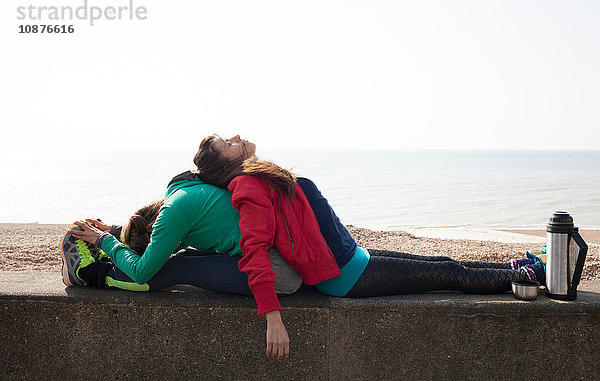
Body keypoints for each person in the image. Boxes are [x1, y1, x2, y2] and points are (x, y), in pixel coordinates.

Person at [188, 134, 546, 357]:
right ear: (229, 164)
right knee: (448, 273)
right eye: (228, 144)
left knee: (444, 262)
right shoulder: (247, 188)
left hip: (354, 258)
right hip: (346, 276)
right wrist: (273, 318)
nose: (236, 137)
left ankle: (515, 269)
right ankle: (527, 275)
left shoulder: (258, 175)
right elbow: (254, 250)